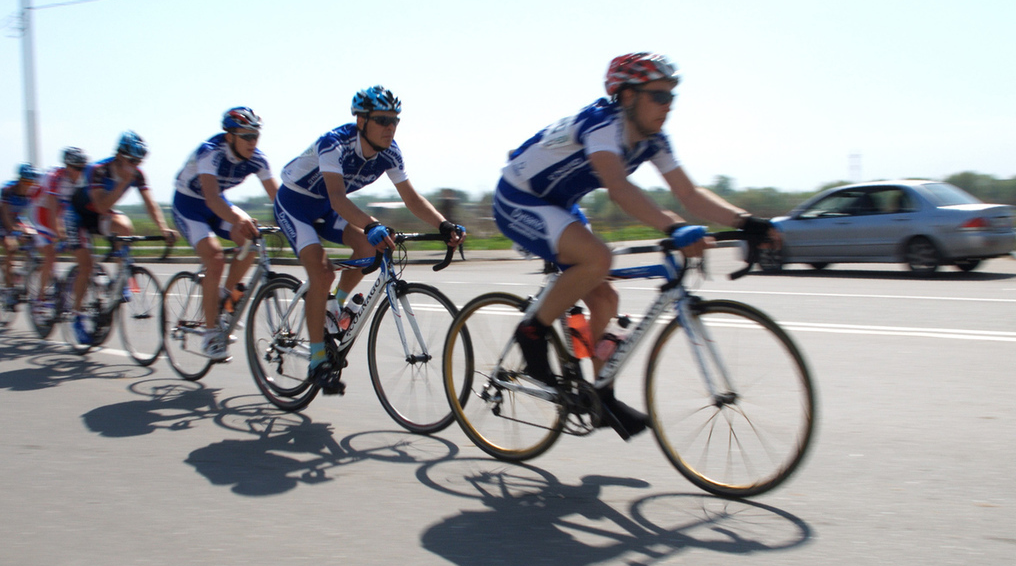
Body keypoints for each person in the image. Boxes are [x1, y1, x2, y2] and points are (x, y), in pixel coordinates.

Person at [494, 52, 776, 438]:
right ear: (627, 97)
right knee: (597, 257)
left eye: (671, 97)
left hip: (559, 205)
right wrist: (674, 227)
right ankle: (532, 333)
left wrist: (748, 222)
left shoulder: (652, 140)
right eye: (658, 96)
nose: (668, 106)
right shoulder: (602, 125)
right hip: (518, 197)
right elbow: (620, 188)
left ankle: (600, 397)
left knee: (606, 300)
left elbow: (688, 193)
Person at [273, 85, 465, 395]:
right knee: (322, 272)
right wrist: (372, 223)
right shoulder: (334, 144)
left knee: (366, 245)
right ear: (361, 121)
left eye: (395, 121)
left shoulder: (390, 152)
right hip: (295, 204)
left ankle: (334, 306)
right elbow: (337, 197)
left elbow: (412, 199)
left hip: (325, 206)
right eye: (382, 120)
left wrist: (443, 225)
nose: (390, 127)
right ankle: (317, 358)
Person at [171, 107, 279, 361]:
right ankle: (210, 334)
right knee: (215, 259)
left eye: (256, 136)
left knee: (252, 240)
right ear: (230, 136)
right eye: (247, 136)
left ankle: (224, 297)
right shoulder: (210, 152)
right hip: (189, 204)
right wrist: (239, 219)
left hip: (216, 204)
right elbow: (210, 197)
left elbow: (279, 198)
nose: (253, 142)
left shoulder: (258, 159)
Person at [64, 130, 178, 344]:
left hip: (100, 215)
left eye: (139, 161)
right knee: (86, 266)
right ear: (119, 155)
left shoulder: (137, 174)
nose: (136, 165)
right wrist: (123, 183)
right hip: (79, 217)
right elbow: (101, 205)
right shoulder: (97, 171)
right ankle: (76, 315)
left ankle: (122, 277)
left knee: (126, 227)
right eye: (132, 160)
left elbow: (149, 203)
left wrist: (163, 228)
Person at [29, 147, 89, 311]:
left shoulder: (84, 179)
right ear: (67, 166)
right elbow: (53, 210)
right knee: (50, 254)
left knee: (83, 250)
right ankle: (40, 297)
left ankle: (74, 293)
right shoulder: (54, 177)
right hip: (43, 210)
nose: (79, 172)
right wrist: (60, 235)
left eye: (82, 168)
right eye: (76, 168)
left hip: (63, 210)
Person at [0, 163, 41, 306]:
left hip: (17, 218)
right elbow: (5, 214)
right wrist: (13, 231)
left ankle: (23, 273)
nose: (29, 185)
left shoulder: (33, 192)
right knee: (11, 247)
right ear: (19, 180)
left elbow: (36, 214)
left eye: (32, 182)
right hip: (1, 219)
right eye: (26, 182)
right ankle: (8, 289)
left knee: (35, 240)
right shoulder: (8, 190)